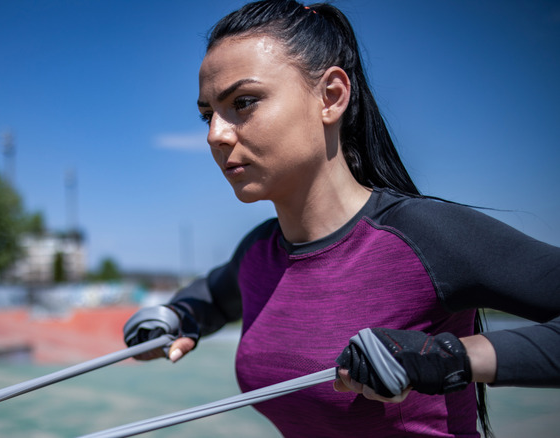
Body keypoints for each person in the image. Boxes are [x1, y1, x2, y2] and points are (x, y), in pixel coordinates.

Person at [123, 1, 560, 437]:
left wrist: (447, 358)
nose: (214, 135)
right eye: (207, 114)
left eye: (243, 102)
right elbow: (216, 296)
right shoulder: (258, 252)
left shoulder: (424, 237)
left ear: (331, 97)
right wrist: (177, 316)